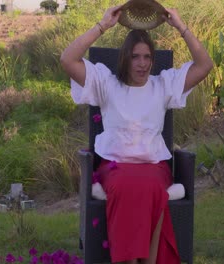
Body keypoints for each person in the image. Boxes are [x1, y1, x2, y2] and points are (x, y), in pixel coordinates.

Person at [60, 5, 213, 264]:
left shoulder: (163, 85)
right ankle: (128, 260)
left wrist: (181, 26)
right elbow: (67, 59)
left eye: (147, 57)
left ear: (153, 60)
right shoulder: (106, 84)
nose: (142, 64)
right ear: (125, 58)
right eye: (135, 57)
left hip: (153, 166)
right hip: (115, 166)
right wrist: (102, 26)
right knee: (126, 186)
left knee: (151, 186)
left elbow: (205, 65)